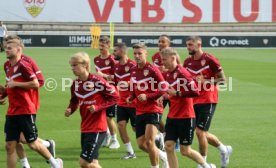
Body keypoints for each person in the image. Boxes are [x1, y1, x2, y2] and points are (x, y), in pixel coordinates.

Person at [0, 38, 62, 168]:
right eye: (6, 47)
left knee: (32, 144)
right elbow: (10, 86)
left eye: (9, 47)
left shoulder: (24, 64)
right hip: (12, 110)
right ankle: (26, 164)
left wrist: (15, 84)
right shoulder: (7, 65)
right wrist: (3, 93)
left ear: (18, 49)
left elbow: (36, 83)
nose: (6, 49)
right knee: (10, 145)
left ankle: (56, 163)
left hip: (26, 109)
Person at [160, 47, 216, 168]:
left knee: (185, 151)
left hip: (186, 117)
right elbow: (170, 91)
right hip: (172, 116)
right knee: (168, 146)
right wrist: (164, 95)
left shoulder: (183, 73)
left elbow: (195, 91)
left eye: (164, 60)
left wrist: (178, 93)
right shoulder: (168, 74)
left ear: (173, 58)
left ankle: (207, 166)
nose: (162, 62)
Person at [183, 36, 232, 168]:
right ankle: (224, 149)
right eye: (187, 45)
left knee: (199, 132)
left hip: (208, 99)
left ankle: (202, 163)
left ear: (199, 44)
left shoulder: (210, 60)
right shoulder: (187, 62)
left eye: (190, 45)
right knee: (201, 132)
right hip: (193, 100)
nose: (188, 47)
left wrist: (206, 81)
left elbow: (223, 81)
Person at [65, 52, 119, 168]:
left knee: (84, 163)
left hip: (97, 128)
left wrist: (98, 107)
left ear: (84, 65)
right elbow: (74, 101)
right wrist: (70, 109)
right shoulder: (75, 84)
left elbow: (115, 96)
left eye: (75, 65)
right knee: (94, 163)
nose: (72, 68)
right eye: (72, 66)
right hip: (85, 127)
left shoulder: (97, 81)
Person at [127, 43, 169, 168]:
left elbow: (164, 88)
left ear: (146, 53)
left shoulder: (152, 69)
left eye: (139, 53)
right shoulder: (133, 69)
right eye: (135, 53)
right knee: (141, 144)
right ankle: (163, 155)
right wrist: (132, 96)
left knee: (150, 142)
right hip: (140, 110)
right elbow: (135, 87)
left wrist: (148, 96)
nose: (137, 56)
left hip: (153, 109)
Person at [93, 36, 120, 149]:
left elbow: (116, 77)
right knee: (100, 115)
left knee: (109, 117)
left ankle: (115, 140)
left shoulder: (113, 60)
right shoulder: (96, 59)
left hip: (111, 92)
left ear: (108, 46)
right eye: (99, 45)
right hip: (100, 91)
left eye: (103, 46)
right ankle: (107, 135)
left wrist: (103, 75)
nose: (100, 47)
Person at [113, 43, 137, 159]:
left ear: (123, 52)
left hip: (134, 102)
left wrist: (127, 83)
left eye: (115, 51)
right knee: (121, 125)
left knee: (136, 129)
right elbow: (116, 82)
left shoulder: (133, 65)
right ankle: (130, 152)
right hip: (121, 102)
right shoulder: (116, 67)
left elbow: (139, 81)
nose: (114, 53)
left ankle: (157, 138)